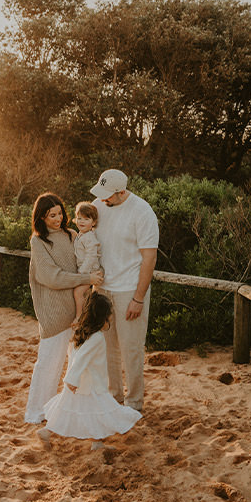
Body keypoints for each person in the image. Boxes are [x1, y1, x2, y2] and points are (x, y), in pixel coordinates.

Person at [25, 194, 105, 424]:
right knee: (49, 363)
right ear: (41, 216)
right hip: (54, 312)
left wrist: (90, 278)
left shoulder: (72, 235)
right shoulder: (38, 242)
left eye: (60, 213)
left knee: (77, 365)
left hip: (79, 310)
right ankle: (36, 412)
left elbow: (89, 256)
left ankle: (67, 412)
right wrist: (86, 277)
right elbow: (51, 277)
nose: (58, 218)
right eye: (52, 215)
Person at [90, 169, 158, 413]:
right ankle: (114, 397)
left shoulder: (142, 211)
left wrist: (138, 298)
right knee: (107, 348)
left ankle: (134, 403)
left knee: (131, 349)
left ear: (121, 192)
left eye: (109, 195)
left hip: (129, 290)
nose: (103, 199)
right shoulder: (97, 205)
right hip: (102, 289)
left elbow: (149, 258)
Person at [37, 292, 142, 450]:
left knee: (70, 409)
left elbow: (73, 354)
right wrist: (72, 380)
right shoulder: (96, 338)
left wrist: (72, 381)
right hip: (90, 384)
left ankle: (50, 432)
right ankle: (94, 441)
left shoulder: (83, 333)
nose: (111, 318)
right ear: (102, 318)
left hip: (80, 383)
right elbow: (80, 359)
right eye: (109, 315)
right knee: (97, 410)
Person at [72, 201, 104, 322]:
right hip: (85, 270)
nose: (81, 222)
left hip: (91, 270)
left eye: (86, 219)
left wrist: (82, 273)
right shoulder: (80, 235)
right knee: (85, 294)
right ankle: (85, 314)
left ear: (93, 222)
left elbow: (91, 256)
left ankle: (79, 316)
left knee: (78, 292)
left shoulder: (89, 237)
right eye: (79, 218)